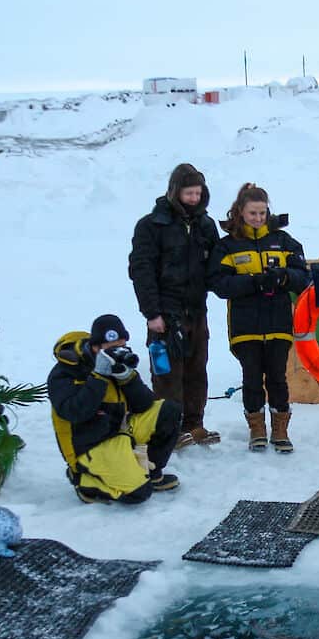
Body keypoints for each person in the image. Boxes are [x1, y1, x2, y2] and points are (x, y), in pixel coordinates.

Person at [208, 183, 310, 452]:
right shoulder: (227, 246)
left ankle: (280, 430)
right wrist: (254, 282)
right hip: (245, 326)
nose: (258, 218)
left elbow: (303, 278)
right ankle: (257, 430)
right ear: (240, 212)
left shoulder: (284, 242)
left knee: (277, 377)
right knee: (251, 378)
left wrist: (283, 277)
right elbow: (219, 284)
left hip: (278, 323)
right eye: (252, 213)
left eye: (262, 213)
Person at [129, 163, 221, 448]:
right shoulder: (152, 225)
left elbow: (217, 263)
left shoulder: (205, 224)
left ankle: (194, 424)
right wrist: (152, 313)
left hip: (197, 310)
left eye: (197, 193)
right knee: (168, 374)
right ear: (174, 192)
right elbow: (141, 270)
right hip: (166, 312)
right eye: (188, 192)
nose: (193, 198)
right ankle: (168, 428)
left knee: (197, 369)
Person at [49, 314, 183, 504]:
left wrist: (127, 378)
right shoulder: (65, 373)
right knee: (139, 493)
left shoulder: (117, 361)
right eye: (111, 349)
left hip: (119, 432)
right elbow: (75, 412)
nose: (117, 352)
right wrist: (99, 377)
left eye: (121, 346)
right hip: (90, 443)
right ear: (95, 347)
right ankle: (85, 481)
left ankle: (149, 471)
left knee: (168, 410)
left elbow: (145, 404)